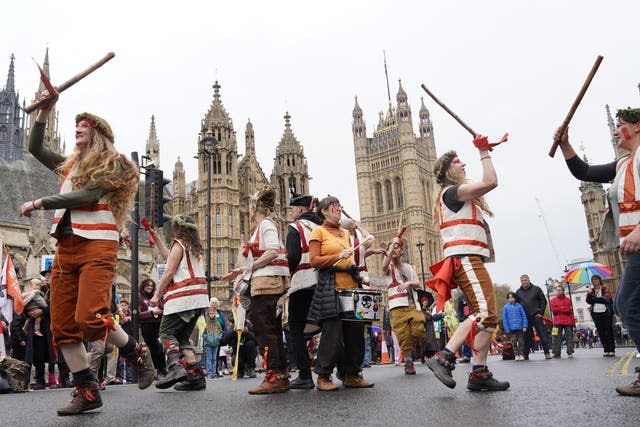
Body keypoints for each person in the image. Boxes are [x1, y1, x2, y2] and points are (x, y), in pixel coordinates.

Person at [20, 94, 154, 415]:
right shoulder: (70, 165)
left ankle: (135, 352)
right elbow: (35, 148)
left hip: (97, 245)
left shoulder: (116, 164)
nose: (77, 129)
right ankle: (87, 389)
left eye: (84, 126)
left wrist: (40, 202)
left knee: (90, 317)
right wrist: (43, 113)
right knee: (63, 326)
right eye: (75, 125)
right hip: (66, 247)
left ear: (98, 134)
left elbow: (89, 195)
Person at [554, 111, 640, 395]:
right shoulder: (623, 164)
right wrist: (565, 145)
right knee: (628, 303)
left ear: (637, 127)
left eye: (621, 127)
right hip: (634, 247)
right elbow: (585, 172)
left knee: (626, 304)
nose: (616, 132)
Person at [426, 141, 510, 391]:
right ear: (448, 171)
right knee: (484, 314)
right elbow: (491, 182)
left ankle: (479, 372)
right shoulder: (451, 192)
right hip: (465, 258)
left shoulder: (456, 195)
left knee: (489, 318)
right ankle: (445, 357)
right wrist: (484, 152)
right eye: (457, 161)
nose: (463, 163)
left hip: (471, 258)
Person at [222, 186, 291, 394]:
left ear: (254, 208)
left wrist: (250, 267)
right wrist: (241, 270)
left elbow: (272, 252)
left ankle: (273, 375)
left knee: (265, 331)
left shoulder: (266, 224)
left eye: (250, 206)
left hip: (266, 285)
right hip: (264, 283)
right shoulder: (263, 226)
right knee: (271, 330)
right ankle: (280, 374)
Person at [308, 196, 374, 391]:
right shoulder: (318, 231)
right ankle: (323, 375)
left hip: (351, 287)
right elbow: (314, 261)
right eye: (334, 206)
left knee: (355, 333)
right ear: (324, 211)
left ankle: (352, 373)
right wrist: (337, 256)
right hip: (331, 287)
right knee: (332, 335)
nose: (338, 209)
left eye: (339, 205)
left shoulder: (346, 233)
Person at [150, 214, 209, 391]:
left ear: (177, 228)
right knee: (182, 337)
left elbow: (169, 271)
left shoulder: (179, 244)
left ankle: (175, 368)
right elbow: (171, 258)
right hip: (198, 299)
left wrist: (156, 295)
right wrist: (158, 239)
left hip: (182, 298)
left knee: (166, 333)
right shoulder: (195, 247)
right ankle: (195, 376)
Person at [285, 190, 322, 389]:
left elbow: (291, 257)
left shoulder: (296, 227)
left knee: (296, 328)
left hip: (302, 283)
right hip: (323, 283)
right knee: (326, 325)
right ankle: (328, 371)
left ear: (299, 208)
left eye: (293, 208)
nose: (291, 212)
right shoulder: (322, 226)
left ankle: (305, 375)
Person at [381, 234, 425, 375]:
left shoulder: (410, 267)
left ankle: (417, 343)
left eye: (397, 248)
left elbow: (417, 284)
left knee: (419, 327)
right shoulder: (388, 268)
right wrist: (392, 243)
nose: (395, 250)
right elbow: (384, 263)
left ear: (401, 251)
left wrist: (408, 283)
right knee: (403, 337)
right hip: (396, 307)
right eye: (392, 248)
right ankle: (408, 362)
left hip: (412, 305)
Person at [515, 275, 551, 360]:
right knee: (526, 337)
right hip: (525, 317)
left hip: (536, 315)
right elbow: (516, 305)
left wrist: (541, 313)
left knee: (542, 335)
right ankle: (525, 355)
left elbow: (543, 301)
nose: (524, 282)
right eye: (522, 281)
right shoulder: (518, 292)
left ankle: (547, 353)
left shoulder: (536, 289)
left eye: (525, 280)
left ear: (529, 280)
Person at [137, 278, 166, 378]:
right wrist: (151, 312)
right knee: (155, 348)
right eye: (147, 285)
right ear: (143, 287)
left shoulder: (157, 297)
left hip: (158, 324)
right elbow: (138, 315)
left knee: (160, 349)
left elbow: (163, 307)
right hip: (147, 326)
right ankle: (160, 370)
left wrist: (160, 309)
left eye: (151, 286)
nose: (149, 287)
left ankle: (161, 370)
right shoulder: (139, 298)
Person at [586, 275, 615, 357]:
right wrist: (589, 293)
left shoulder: (605, 288)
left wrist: (594, 299)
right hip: (596, 313)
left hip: (606, 312)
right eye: (593, 280)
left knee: (608, 331)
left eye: (596, 279)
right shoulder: (591, 290)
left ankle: (611, 349)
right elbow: (588, 301)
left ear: (599, 280)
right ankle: (606, 349)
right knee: (601, 332)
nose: (594, 281)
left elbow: (606, 299)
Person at [549, 285, 575, 359]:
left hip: (568, 321)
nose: (558, 291)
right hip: (557, 321)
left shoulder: (567, 299)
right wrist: (563, 308)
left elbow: (568, 310)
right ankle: (556, 352)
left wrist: (559, 308)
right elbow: (553, 310)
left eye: (560, 290)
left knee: (569, 337)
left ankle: (570, 352)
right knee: (555, 336)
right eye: (557, 290)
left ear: (563, 291)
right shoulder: (553, 300)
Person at [202, 298, 226, 378]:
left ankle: (214, 372)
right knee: (209, 358)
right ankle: (209, 373)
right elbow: (203, 332)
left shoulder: (217, 321)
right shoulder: (206, 322)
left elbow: (221, 330)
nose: (212, 315)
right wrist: (206, 338)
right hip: (208, 343)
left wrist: (219, 338)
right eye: (210, 314)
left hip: (216, 342)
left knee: (214, 358)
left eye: (213, 314)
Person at [502, 292, 528, 360]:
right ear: (507, 299)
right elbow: (505, 319)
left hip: (520, 328)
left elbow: (523, 316)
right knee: (513, 342)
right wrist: (507, 329)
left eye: (512, 297)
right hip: (511, 329)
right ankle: (516, 354)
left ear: (515, 298)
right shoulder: (505, 307)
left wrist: (524, 326)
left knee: (521, 342)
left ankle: (521, 354)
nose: (511, 299)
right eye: (509, 297)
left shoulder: (519, 306)